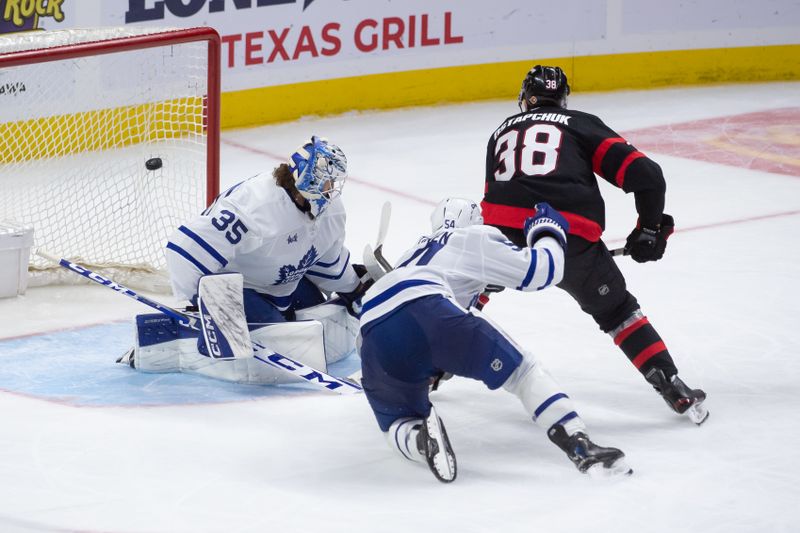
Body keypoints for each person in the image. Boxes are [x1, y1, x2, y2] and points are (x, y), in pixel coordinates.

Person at [481, 65, 708, 424]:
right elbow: (647, 175)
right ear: (563, 98)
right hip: (570, 240)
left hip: (504, 236)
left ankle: (431, 367)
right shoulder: (579, 123)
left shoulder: (499, 132)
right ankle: (670, 384)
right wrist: (649, 229)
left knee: (472, 282)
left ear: (526, 99)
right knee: (617, 311)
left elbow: (503, 195)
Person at [359, 198, 632, 483]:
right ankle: (580, 445)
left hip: (372, 328)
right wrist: (548, 231)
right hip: (427, 305)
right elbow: (542, 271)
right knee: (523, 373)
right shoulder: (473, 236)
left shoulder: (412, 253)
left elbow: (394, 330)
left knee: (396, 422)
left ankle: (420, 442)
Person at [118, 136, 367, 383]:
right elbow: (185, 250)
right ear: (308, 179)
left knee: (317, 325)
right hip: (241, 289)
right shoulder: (255, 206)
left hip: (281, 284)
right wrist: (204, 308)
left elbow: (325, 261)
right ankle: (168, 344)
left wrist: (355, 288)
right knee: (281, 345)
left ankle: (270, 322)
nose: (333, 188)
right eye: (328, 181)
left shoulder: (330, 209)